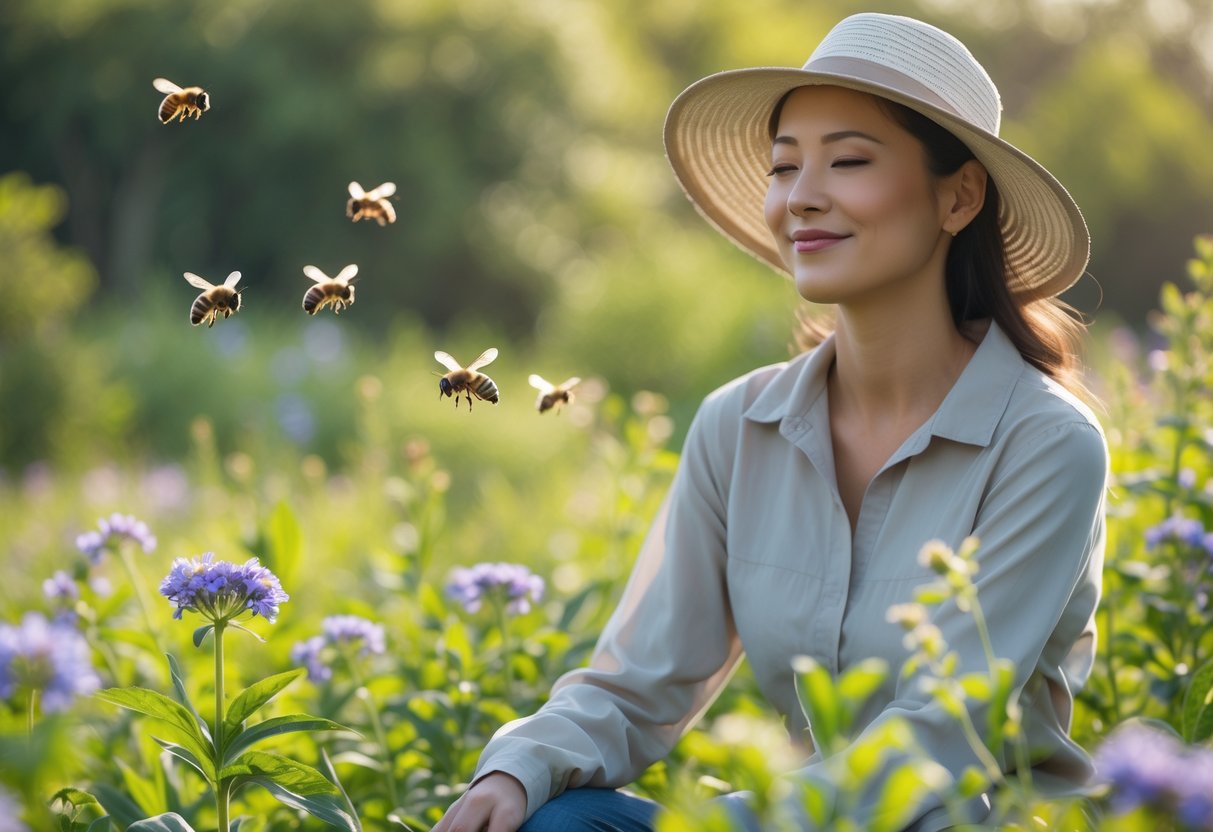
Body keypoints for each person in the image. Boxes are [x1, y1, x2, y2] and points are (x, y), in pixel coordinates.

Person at [434, 12, 1107, 832]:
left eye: (849, 161)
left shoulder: (1045, 445)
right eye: (784, 167)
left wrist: (727, 819)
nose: (801, 197)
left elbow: (939, 742)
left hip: (954, 821)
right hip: (782, 819)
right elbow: (638, 682)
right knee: (555, 819)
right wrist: (515, 771)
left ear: (958, 195)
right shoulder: (737, 426)